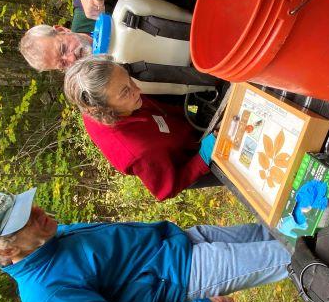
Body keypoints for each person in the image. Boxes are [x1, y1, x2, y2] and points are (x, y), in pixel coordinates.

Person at [0, 187, 292, 302]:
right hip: (183, 276)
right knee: (287, 257)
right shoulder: (47, 296)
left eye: (28, 206)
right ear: (6, 250)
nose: (38, 210)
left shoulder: (49, 237)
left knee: (282, 231)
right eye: (26, 219)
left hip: (181, 243)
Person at [63, 55, 219, 201]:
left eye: (129, 80)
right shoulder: (137, 152)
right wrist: (203, 156)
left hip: (181, 129)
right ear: (103, 110)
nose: (138, 90)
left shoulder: (96, 96)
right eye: (125, 92)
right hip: (192, 163)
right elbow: (167, 189)